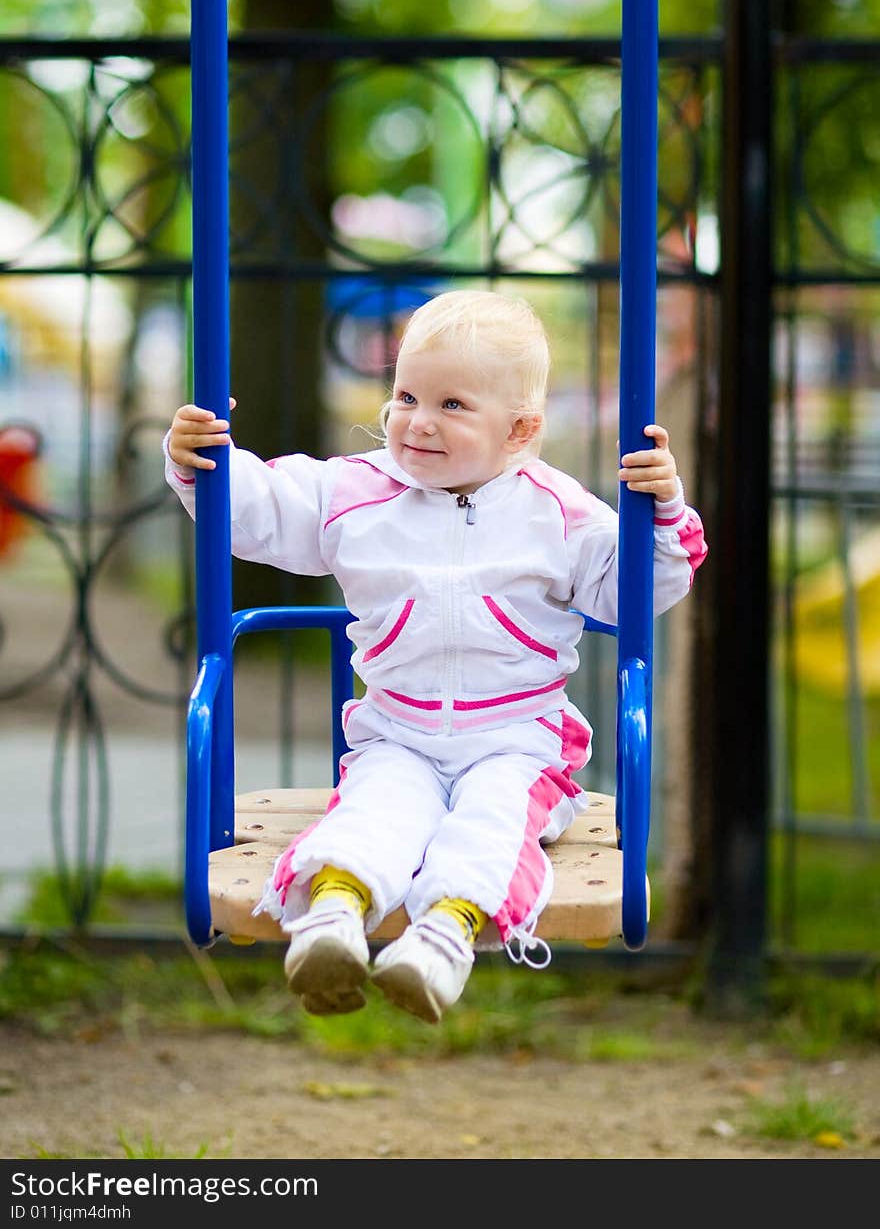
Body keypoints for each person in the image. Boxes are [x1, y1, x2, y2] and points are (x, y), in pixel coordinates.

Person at [165, 289, 707, 1024]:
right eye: (406, 394)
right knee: (372, 811)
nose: (417, 420)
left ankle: (441, 939)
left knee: (489, 821)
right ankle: (329, 926)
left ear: (520, 429)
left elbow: (636, 590)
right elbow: (259, 512)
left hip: (518, 742)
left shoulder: (560, 512)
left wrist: (664, 513)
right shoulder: (353, 492)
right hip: (399, 731)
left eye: (452, 405)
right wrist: (206, 463)